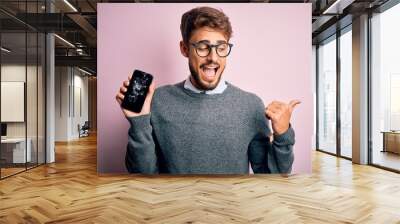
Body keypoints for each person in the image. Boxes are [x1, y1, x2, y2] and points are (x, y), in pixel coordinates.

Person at [115, 6, 300, 174]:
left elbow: (270, 177)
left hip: (231, 209)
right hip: (171, 208)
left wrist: (283, 135)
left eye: (221, 47)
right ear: (185, 49)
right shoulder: (158, 100)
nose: (213, 57)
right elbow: (142, 175)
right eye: (203, 47)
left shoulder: (251, 105)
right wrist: (138, 122)